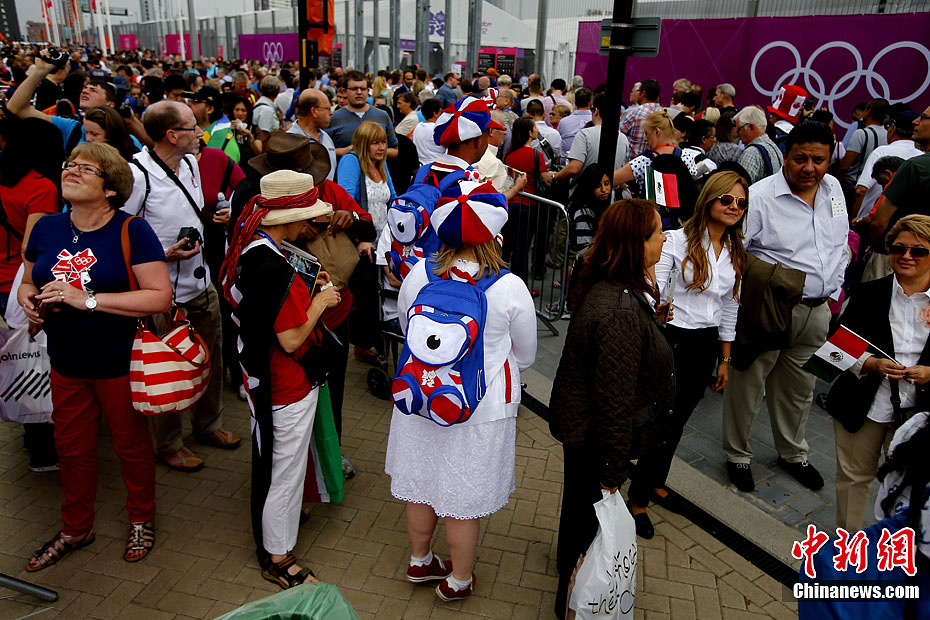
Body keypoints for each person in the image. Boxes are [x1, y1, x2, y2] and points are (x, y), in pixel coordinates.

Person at [19, 142, 172, 570]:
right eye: (70, 164)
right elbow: (29, 280)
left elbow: (160, 296)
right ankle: (76, 527)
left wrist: (85, 300)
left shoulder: (132, 230)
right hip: (65, 359)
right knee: (71, 448)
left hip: (120, 361)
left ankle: (141, 519)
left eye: (87, 169)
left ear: (110, 188)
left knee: (131, 446)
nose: (72, 171)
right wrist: (28, 298)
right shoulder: (47, 227)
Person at [384, 180, 537, 602]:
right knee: (460, 498)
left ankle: (420, 559)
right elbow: (526, 355)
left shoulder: (420, 272)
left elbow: (408, 327)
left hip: (419, 395)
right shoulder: (510, 287)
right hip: (478, 408)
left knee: (420, 483)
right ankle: (459, 579)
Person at [549, 199, 675, 619]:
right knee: (587, 529)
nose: (664, 238)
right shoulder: (619, 308)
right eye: (657, 232)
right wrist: (612, 474)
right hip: (594, 438)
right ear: (637, 243)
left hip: (582, 431)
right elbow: (614, 403)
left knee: (577, 518)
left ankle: (568, 593)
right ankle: (571, 607)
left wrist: (650, 319)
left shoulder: (613, 287)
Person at [219, 169, 340, 587]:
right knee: (284, 474)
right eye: (307, 215)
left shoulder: (254, 245)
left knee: (278, 466)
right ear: (290, 217)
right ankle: (278, 556)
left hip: (265, 377)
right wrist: (320, 302)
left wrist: (307, 288)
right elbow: (290, 339)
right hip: (286, 383)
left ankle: (277, 541)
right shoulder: (272, 264)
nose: (311, 223)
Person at [722, 121, 849, 493]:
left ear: (830, 158)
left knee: (801, 387)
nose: (809, 168)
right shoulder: (760, 197)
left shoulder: (834, 189)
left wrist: (835, 283)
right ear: (785, 156)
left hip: (818, 311)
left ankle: (793, 453)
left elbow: (840, 241)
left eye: (818, 160)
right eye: (800, 159)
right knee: (749, 383)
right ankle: (737, 455)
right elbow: (735, 253)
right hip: (769, 308)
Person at [122, 100, 241, 472]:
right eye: (193, 127)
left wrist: (222, 214)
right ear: (172, 135)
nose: (201, 133)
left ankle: (209, 424)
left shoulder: (190, 164)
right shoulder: (137, 174)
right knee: (167, 367)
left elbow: (195, 208)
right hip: (161, 293)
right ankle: (168, 443)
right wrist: (163, 254)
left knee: (211, 356)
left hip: (200, 282)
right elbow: (120, 235)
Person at [631, 171, 748, 537]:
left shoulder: (735, 251)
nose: (734, 207)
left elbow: (730, 306)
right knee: (660, 420)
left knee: (679, 420)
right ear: (709, 199)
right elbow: (652, 287)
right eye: (726, 199)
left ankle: (655, 480)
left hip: (706, 343)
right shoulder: (676, 241)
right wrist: (656, 312)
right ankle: (637, 498)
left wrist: (725, 359)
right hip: (672, 338)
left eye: (741, 203)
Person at [824, 214, 930, 532]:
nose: (906, 256)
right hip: (864, 405)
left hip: (920, 414)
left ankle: (900, 551)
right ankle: (848, 548)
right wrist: (870, 364)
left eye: (919, 251)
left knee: (912, 487)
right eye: (898, 248)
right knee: (852, 479)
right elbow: (832, 351)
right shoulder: (870, 293)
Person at [0, 118, 63, 473]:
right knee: (34, 361)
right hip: (19, 286)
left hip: (3, 283)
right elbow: (33, 246)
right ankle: (42, 450)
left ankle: (30, 434)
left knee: (20, 357)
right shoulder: (41, 186)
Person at [327, 71, 398, 159]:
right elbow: (325, 151)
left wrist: (374, 151)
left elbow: (394, 150)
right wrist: (346, 151)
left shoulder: (382, 116)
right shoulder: (334, 118)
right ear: (345, 91)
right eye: (354, 89)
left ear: (368, 90)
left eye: (363, 89)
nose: (359, 92)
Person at [287, 88, 337, 181]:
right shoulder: (289, 141)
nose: (331, 113)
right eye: (327, 109)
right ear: (314, 111)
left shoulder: (326, 137)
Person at [735, 106, 784, 183]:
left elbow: (741, 186)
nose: (737, 135)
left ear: (751, 127)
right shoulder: (775, 148)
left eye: (739, 130)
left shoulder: (751, 153)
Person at [619, 78, 662, 157]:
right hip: (653, 161)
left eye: (639, 91)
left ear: (643, 93)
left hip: (632, 162)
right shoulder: (663, 114)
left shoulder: (636, 112)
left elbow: (619, 133)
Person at [557, 87, 593, 163]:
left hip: (566, 163)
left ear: (575, 103)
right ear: (591, 103)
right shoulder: (596, 121)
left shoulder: (563, 122)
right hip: (590, 163)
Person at [411, 98, 447, 166]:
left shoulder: (418, 127)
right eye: (440, 112)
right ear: (435, 114)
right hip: (436, 164)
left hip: (420, 164)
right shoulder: (436, 128)